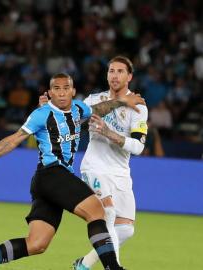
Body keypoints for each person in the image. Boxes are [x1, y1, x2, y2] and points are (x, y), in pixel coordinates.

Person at [0, 73, 145, 270]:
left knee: (37, 244)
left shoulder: (79, 109)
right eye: (56, 89)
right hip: (52, 173)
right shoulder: (42, 114)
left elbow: (99, 109)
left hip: (46, 183)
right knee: (97, 211)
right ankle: (112, 268)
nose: (62, 93)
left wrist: (123, 100)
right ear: (50, 93)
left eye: (66, 88)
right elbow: (14, 139)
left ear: (73, 91)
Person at [73, 56, 148, 269]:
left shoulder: (139, 107)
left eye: (120, 71)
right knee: (108, 213)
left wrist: (108, 132)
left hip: (120, 172)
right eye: (111, 71)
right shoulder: (94, 100)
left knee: (126, 229)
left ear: (129, 76)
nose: (114, 75)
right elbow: (77, 118)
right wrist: (119, 103)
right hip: (93, 167)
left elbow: (138, 147)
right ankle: (113, 267)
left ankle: (84, 264)